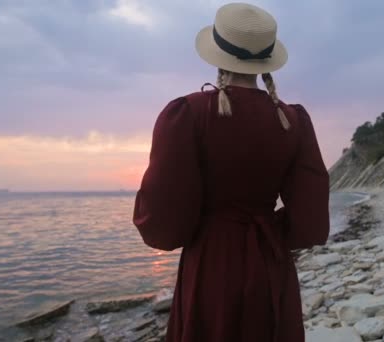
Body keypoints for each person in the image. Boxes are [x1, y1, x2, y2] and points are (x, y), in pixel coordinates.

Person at [133, 3, 330, 341]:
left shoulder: (189, 114)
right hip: (271, 263)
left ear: (217, 55)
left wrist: (213, 229)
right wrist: (268, 228)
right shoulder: (294, 121)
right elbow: (311, 223)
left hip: (211, 266)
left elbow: (162, 223)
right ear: (267, 60)